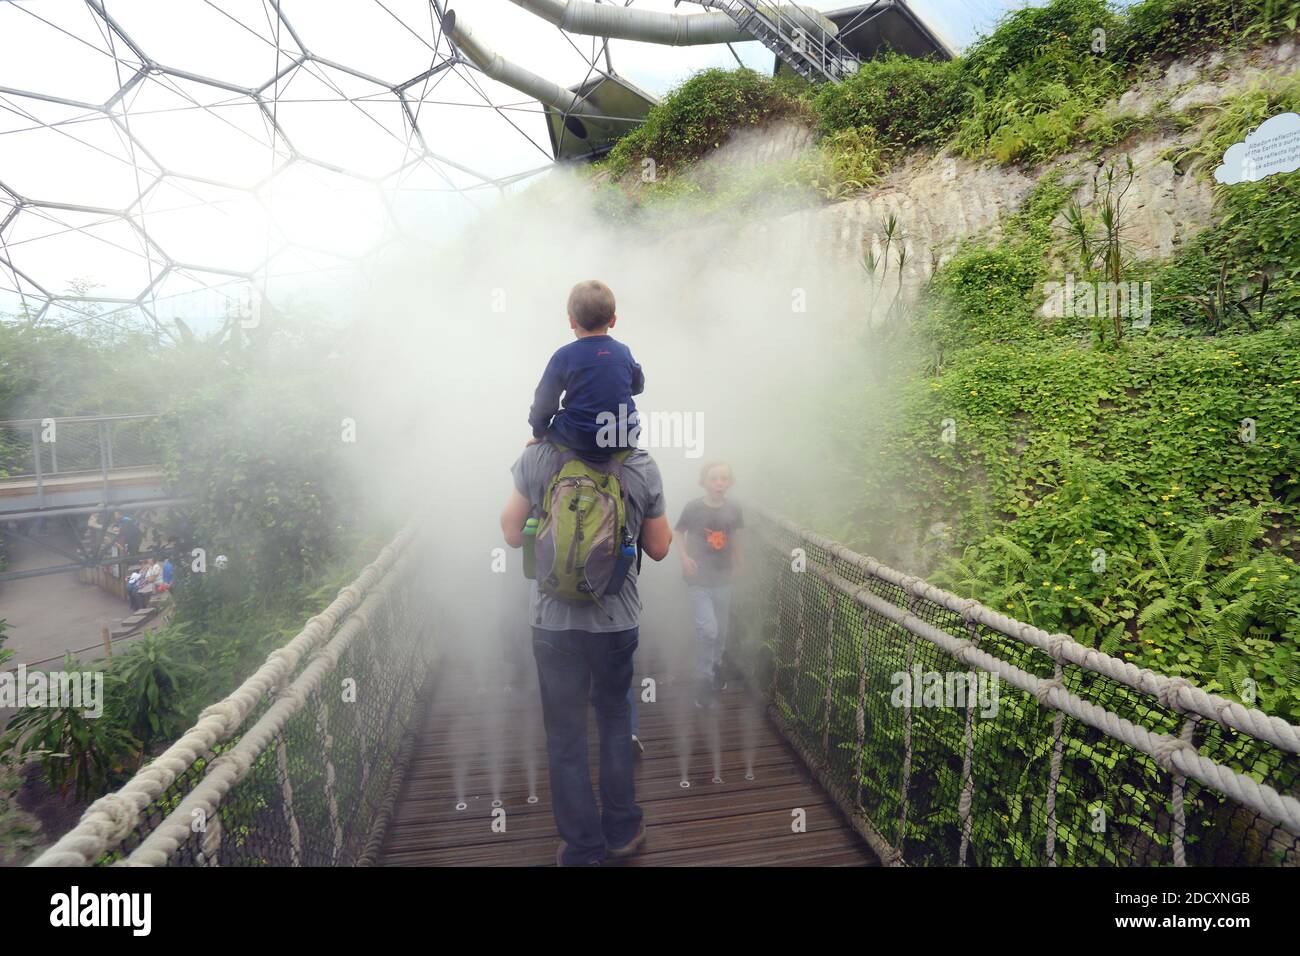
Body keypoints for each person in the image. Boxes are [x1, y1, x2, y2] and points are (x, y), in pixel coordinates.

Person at [501, 440, 671, 866]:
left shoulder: (539, 455)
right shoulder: (640, 463)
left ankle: (582, 848)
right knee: (614, 721)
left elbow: (509, 530)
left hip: (552, 624)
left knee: (565, 737)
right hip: (615, 621)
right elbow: (660, 547)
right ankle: (622, 832)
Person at [527, 279, 645, 459]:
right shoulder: (623, 352)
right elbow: (638, 386)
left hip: (578, 439)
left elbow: (544, 402)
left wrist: (539, 432)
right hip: (623, 438)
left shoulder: (563, 356)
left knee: (526, 463)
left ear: (572, 321)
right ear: (613, 320)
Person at [675, 461, 745, 709]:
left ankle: (715, 667)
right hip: (698, 579)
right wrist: (684, 558)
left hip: (723, 578)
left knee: (721, 631)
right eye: (714, 478)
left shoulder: (734, 508)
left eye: (724, 479)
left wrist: (739, 562)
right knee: (709, 629)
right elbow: (677, 532)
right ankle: (703, 680)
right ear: (703, 482)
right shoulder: (693, 508)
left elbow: (735, 535)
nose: (719, 483)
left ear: (730, 482)